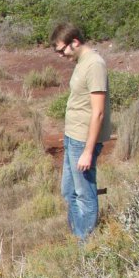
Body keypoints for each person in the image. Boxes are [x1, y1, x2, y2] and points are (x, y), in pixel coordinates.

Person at [50, 23, 112, 241]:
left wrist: (88, 150)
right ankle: (78, 235)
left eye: (61, 50)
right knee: (69, 191)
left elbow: (98, 112)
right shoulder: (81, 62)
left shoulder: (94, 64)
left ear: (74, 42)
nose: (60, 55)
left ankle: (86, 244)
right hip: (72, 136)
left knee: (84, 193)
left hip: (83, 140)